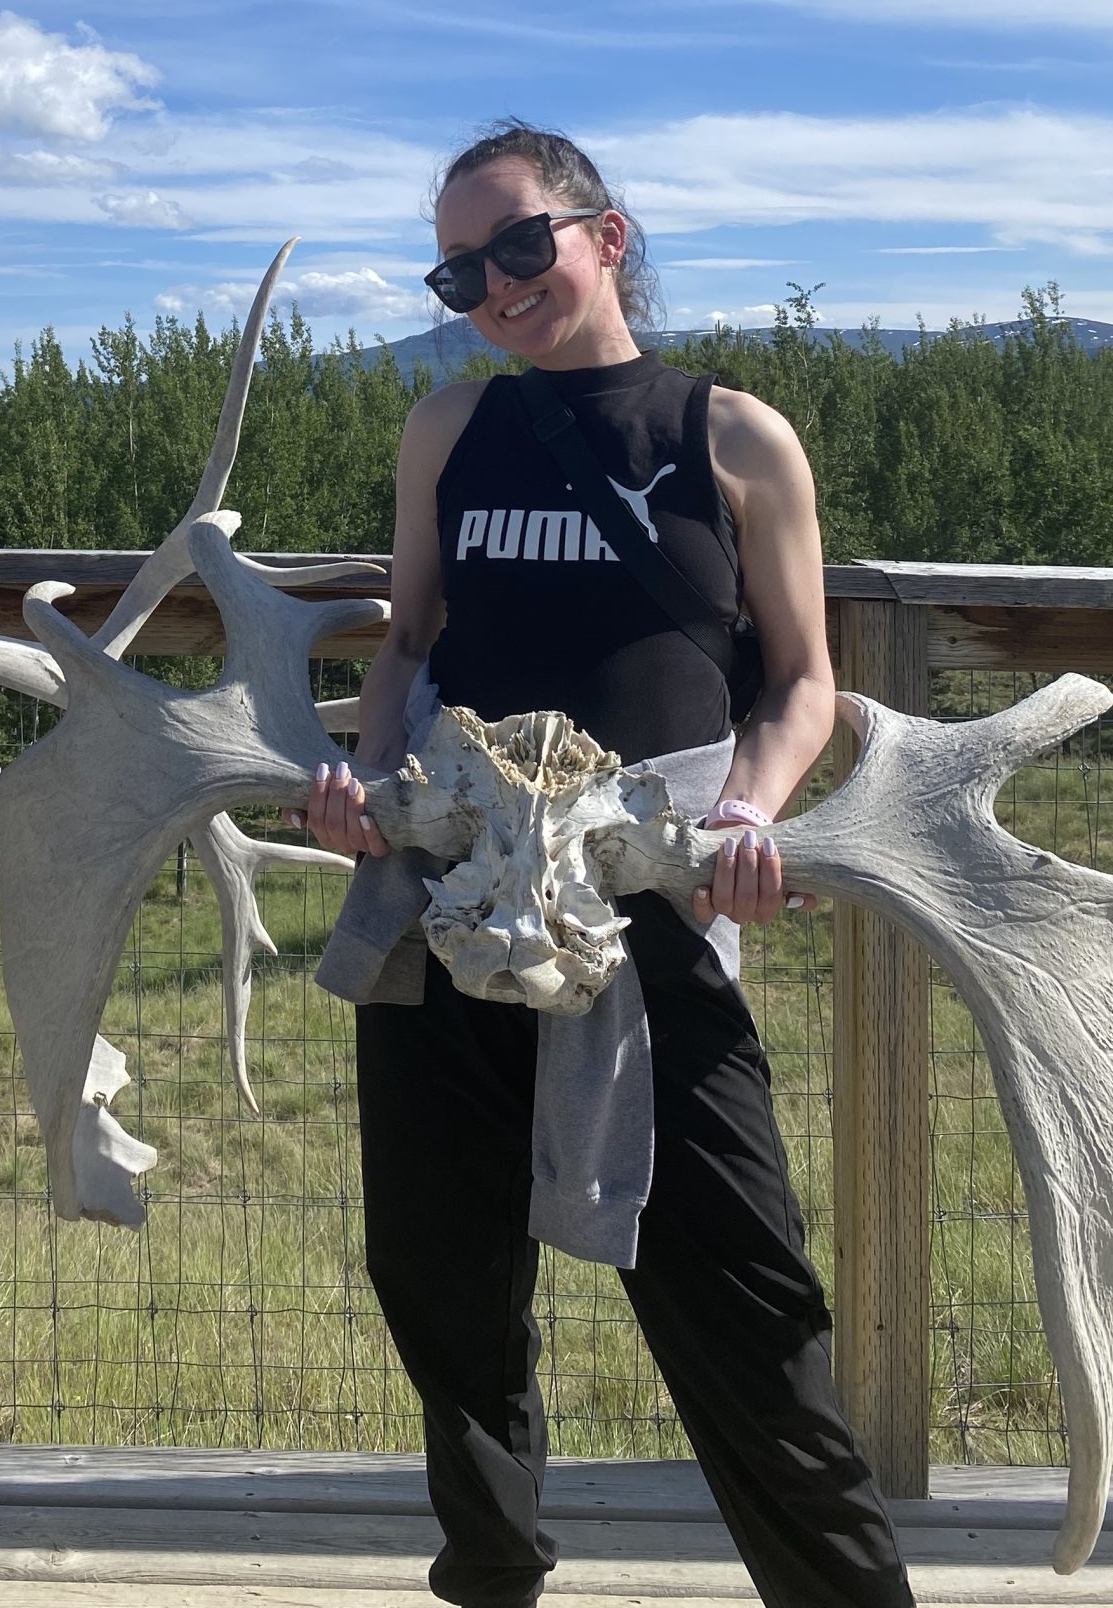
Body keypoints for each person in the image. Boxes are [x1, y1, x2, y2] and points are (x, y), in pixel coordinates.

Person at [300, 122, 915, 1608]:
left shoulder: (734, 435)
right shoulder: (451, 428)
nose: (496, 285)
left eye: (521, 244)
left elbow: (803, 681)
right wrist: (373, 776)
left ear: (605, 235)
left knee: (743, 1295)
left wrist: (752, 812)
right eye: (461, 268)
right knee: (441, 1279)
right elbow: (408, 641)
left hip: (650, 910)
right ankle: (494, 1569)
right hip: (451, 897)